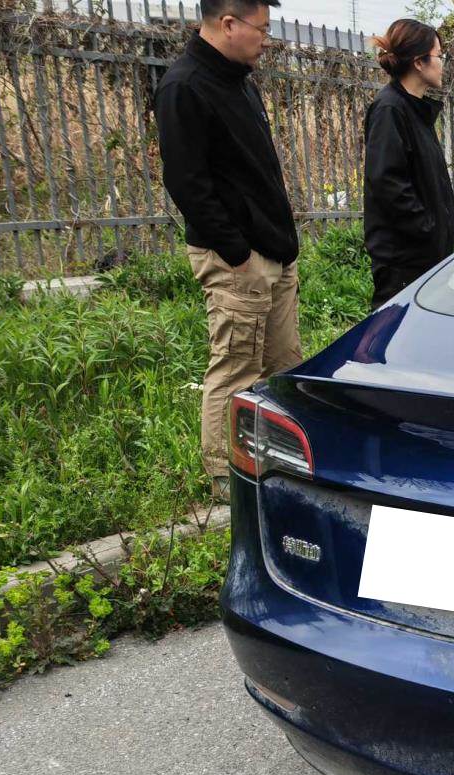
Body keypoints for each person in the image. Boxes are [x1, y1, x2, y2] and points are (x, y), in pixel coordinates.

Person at [155, 0, 300, 502]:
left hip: (274, 255)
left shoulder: (240, 82)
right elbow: (187, 183)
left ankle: (275, 462)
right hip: (238, 260)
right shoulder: (184, 87)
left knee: (282, 365)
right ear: (228, 23)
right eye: (261, 29)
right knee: (236, 366)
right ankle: (225, 479)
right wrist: (238, 254)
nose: (266, 40)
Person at [363, 19, 454, 310]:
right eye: (439, 55)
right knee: (395, 333)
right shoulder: (390, 109)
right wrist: (428, 230)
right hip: (404, 263)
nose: (442, 64)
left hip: (425, 258)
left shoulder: (414, 109)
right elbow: (388, 184)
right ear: (419, 62)